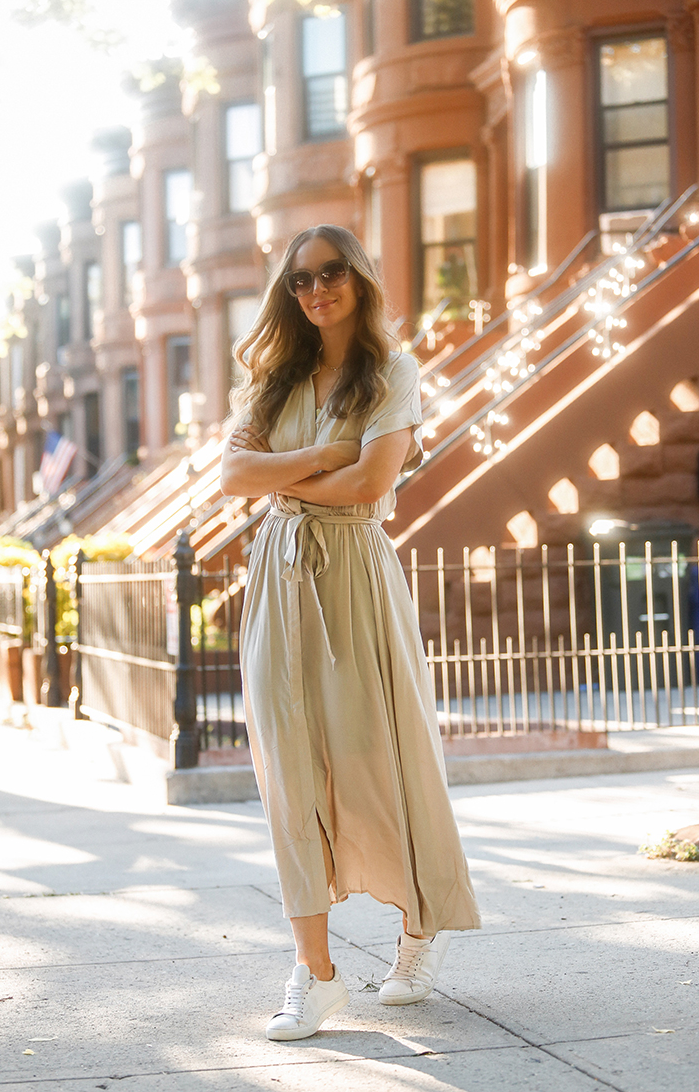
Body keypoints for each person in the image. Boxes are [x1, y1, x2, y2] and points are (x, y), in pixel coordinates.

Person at [220, 224, 480, 1043]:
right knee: (286, 773)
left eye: (331, 273)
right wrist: (330, 452)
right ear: (287, 294)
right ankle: (316, 973)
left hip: (357, 578)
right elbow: (231, 476)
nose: (316, 289)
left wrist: (294, 470)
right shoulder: (269, 377)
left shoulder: (393, 370)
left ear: (360, 279)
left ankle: (417, 931)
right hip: (280, 575)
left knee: (383, 755)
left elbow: (373, 481)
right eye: (299, 280)